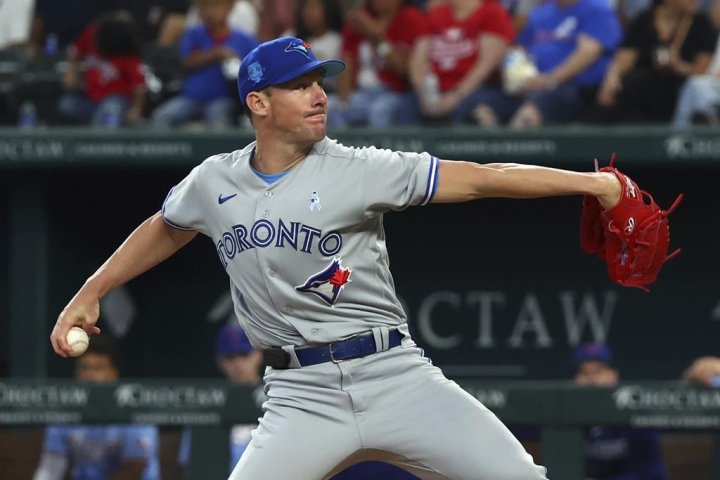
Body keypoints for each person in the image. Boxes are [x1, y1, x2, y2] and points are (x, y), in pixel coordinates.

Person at [51, 35, 625, 479]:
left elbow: (481, 179)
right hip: (300, 394)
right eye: (300, 85)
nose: (320, 93)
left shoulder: (359, 167)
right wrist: (91, 290)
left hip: (393, 375)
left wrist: (592, 185)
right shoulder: (213, 181)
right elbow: (166, 226)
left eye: (320, 81)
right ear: (259, 102)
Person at [472, 0, 622, 128]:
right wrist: (518, 79)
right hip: (533, 85)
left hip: (576, 88)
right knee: (482, 105)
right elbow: (519, 50)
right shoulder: (542, 12)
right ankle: (488, 159)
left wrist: (549, 79)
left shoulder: (596, 8)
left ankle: (516, 159)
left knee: (531, 112)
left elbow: (588, 52)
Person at [34, 334, 161, 480]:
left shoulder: (133, 410)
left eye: (98, 368)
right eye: (84, 368)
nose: (90, 375)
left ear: (113, 373)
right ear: (76, 373)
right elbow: (50, 470)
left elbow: (133, 470)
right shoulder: (66, 414)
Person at [584, 0, 716, 125]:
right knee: (619, 93)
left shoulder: (701, 24)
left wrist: (677, 65)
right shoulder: (644, 20)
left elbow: (700, 72)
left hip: (676, 89)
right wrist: (612, 79)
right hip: (640, 86)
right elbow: (625, 58)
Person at [151, 0, 257, 129]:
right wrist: (216, 53)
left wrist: (235, 62)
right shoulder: (193, 34)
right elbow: (186, 61)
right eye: (204, 7)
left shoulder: (244, 39)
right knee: (162, 116)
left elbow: (255, 70)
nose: (209, 12)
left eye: (214, 7)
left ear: (229, 8)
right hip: (192, 97)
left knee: (217, 116)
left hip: (223, 99)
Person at [408, 0, 515, 124]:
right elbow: (418, 60)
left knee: (465, 109)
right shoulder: (436, 15)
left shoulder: (492, 12)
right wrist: (425, 95)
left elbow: (486, 65)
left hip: (479, 88)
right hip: (436, 90)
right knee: (405, 108)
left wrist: (456, 96)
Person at [178, 323, 265, 474]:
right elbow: (191, 464)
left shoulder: (276, 397)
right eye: (229, 357)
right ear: (219, 361)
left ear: (258, 355)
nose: (237, 363)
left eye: (244, 355)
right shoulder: (206, 404)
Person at [574, 343, 669, 480]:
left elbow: (650, 473)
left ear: (614, 374)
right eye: (584, 373)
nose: (592, 379)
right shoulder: (563, 414)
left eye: (599, 371)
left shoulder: (635, 411)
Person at [328, 0, 426, 128]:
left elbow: (405, 70)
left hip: (399, 93)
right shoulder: (360, 18)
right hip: (363, 93)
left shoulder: (412, 18)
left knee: (380, 110)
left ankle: (380, 148)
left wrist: (378, 38)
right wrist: (343, 105)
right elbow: (347, 63)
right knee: (330, 107)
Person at [57, 11, 147, 127]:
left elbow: (140, 87)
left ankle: (95, 141)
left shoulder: (128, 55)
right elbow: (74, 52)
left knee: (108, 110)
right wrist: (72, 72)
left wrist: (136, 110)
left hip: (116, 101)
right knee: (67, 104)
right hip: (91, 99)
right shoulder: (92, 33)